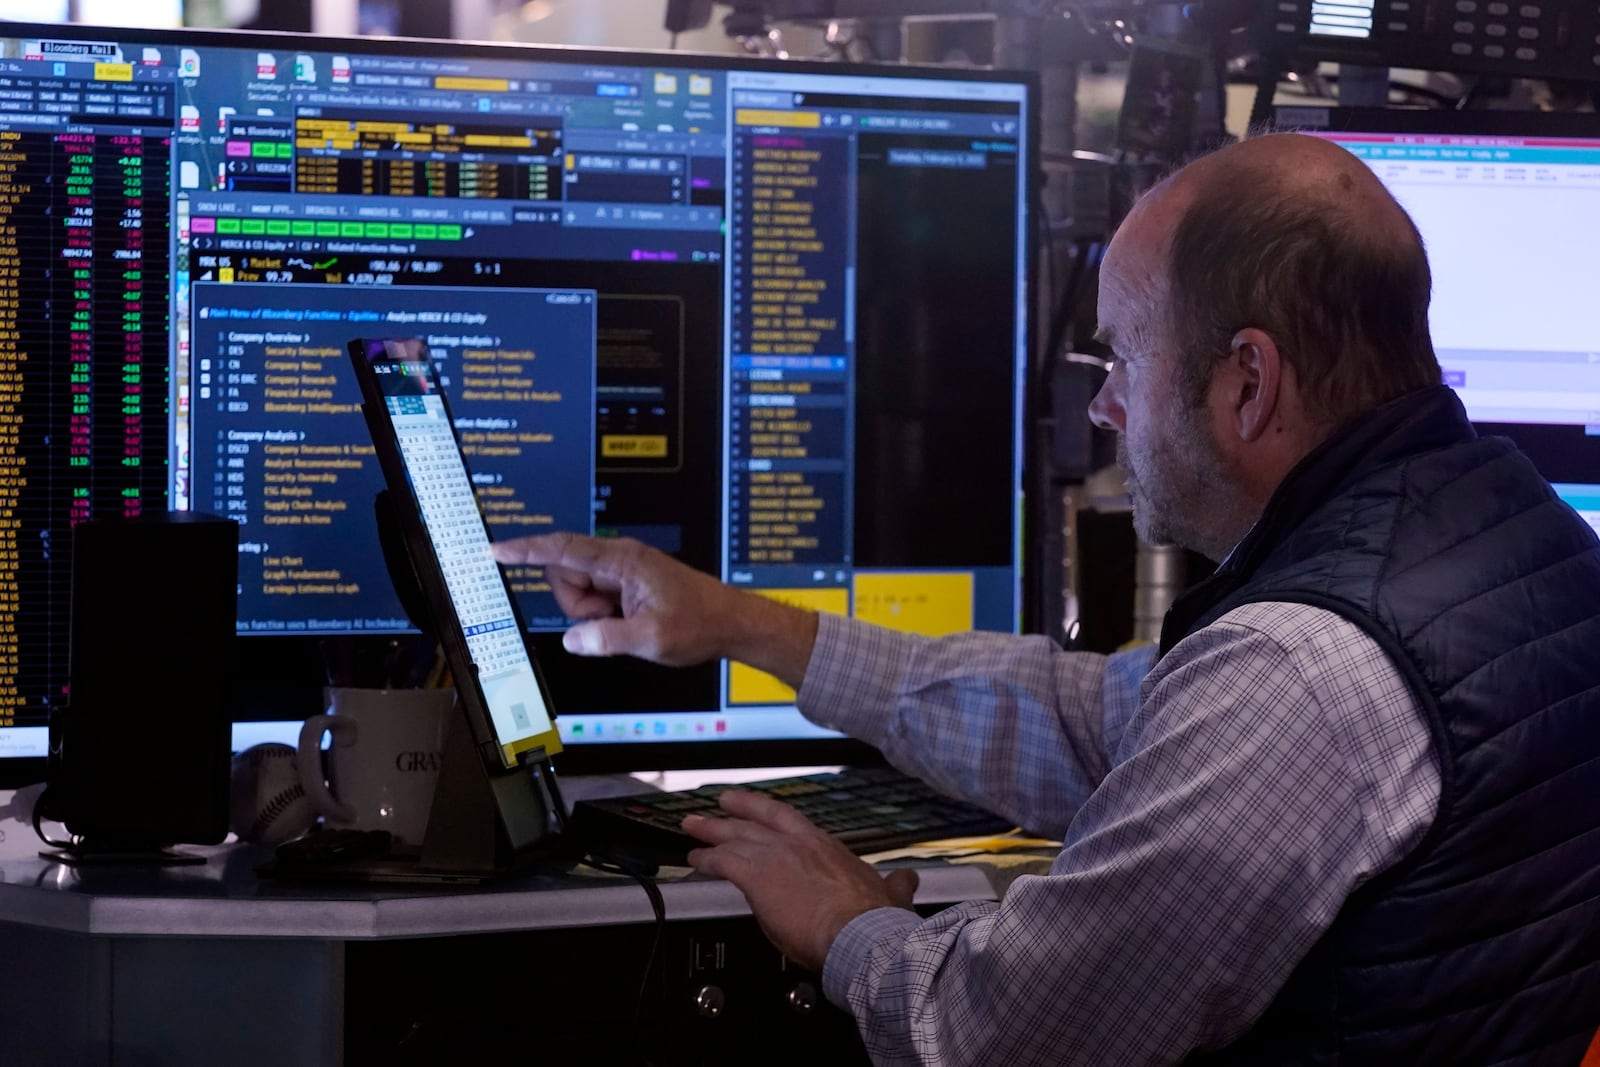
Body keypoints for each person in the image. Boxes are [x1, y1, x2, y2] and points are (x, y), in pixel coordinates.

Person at [493, 133, 1600, 1064]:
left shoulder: (1298, 669)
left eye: (1121, 355)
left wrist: (847, 925)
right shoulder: (1507, 527)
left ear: (1247, 383)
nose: (1107, 406)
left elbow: (1003, 1035)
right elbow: (1105, 721)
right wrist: (743, 625)